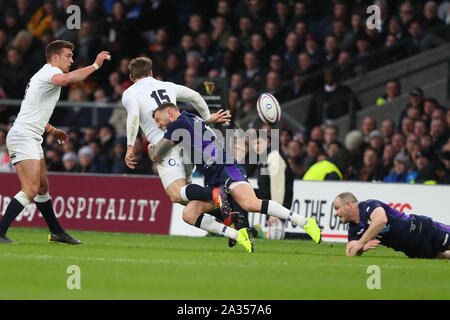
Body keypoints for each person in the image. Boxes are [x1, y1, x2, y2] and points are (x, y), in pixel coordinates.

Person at [152, 102, 322, 252]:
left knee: (250, 203)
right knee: (189, 214)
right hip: (213, 176)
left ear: (170, 113)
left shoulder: (177, 125)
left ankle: (305, 222)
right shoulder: (191, 118)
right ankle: (238, 235)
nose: (159, 125)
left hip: (225, 166)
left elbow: (158, 154)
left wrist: (152, 150)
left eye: (158, 120)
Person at [0, 40, 111, 244]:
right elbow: (66, 80)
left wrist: (51, 130)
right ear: (55, 57)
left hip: (30, 134)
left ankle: (57, 233)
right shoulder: (48, 73)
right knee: (31, 188)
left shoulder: (43, 75)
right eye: (68, 56)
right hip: (23, 135)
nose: (71, 60)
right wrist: (95, 65)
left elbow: (33, 110)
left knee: (42, 188)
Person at [333, 192, 450, 259]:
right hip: (412, 250)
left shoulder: (368, 206)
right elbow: (350, 253)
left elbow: (380, 220)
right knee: (445, 258)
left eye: (337, 208)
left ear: (348, 204)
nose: (336, 213)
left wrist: (360, 242)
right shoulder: (354, 228)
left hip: (422, 230)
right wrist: (362, 248)